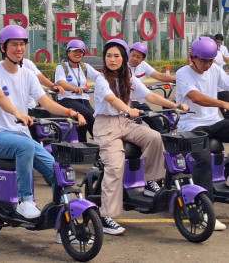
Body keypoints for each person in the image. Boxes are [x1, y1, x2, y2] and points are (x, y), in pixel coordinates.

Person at [0, 25, 86, 219]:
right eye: (14, 44)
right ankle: (25, 200)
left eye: (22, 44)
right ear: (3, 48)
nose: (19, 48)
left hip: (22, 137)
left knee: (57, 171)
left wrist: (71, 112)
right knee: (26, 146)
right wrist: (17, 113)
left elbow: (47, 103)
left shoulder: (28, 74)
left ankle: (61, 218)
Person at [93, 38, 187, 235]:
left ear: (123, 58)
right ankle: (106, 216)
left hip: (125, 122)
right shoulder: (101, 78)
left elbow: (148, 96)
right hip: (106, 125)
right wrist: (128, 108)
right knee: (115, 166)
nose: (112, 59)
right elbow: (110, 98)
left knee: (155, 137)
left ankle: (151, 181)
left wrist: (174, 105)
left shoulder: (128, 76)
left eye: (116, 56)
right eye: (109, 56)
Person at [176, 36, 229, 231]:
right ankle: (205, 211)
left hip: (214, 122)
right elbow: (196, 97)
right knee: (204, 161)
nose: (207, 65)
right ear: (192, 57)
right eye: (203, 60)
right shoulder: (183, 73)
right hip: (191, 126)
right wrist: (223, 103)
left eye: (211, 60)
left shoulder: (214, 69)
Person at [55, 39, 99, 142]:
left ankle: (94, 146)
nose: (77, 53)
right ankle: (95, 143)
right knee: (87, 115)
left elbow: (99, 77)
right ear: (68, 53)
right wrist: (73, 88)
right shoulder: (62, 67)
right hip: (67, 100)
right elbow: (60, 82)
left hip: (83, 100)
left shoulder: (85, 67)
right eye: (74, 51)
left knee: (94, 119)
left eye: (80, 51)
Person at [128, 42, 176, 132]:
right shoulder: (123, 66)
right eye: (133, 55)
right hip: (126, 102)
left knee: (156, 121)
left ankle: (163, 143)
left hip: (139, 101)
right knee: (137, 126)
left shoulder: (143, 66)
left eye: (138, 57)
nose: (134, 58)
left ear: (143, 59)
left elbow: (158, 75)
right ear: (129, 54)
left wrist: (175, 80)